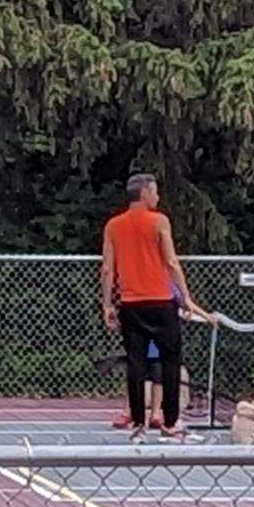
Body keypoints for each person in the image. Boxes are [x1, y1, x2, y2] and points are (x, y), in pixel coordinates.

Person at [100, 173, 198, 439]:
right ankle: (170, 421)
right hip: (160, 302)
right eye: (154, 192)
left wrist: (108, 303)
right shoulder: (159, 222)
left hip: (130, 304)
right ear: (144, 193)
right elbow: (171, 262)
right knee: (170, 361)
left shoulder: (113, 226)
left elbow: (108, 268)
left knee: (136, 363)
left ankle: (139, 424)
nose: (158, 197)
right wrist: (185, 296)